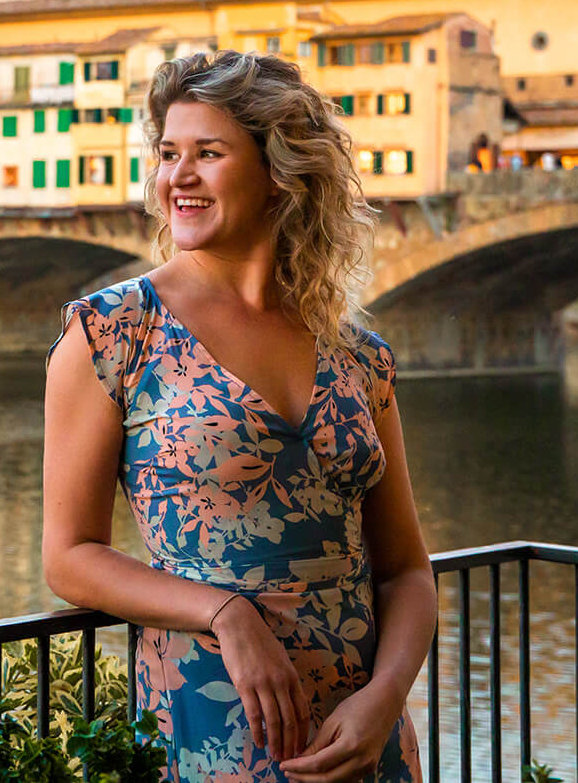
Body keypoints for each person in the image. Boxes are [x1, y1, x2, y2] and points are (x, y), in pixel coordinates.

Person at [43, 50, 435, 782]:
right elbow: (69, 556)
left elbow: (407, 570)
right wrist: (226, 612)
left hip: (364, 740)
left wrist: (385, 698)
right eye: (167, 154)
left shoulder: (359, 355)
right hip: (211, 726)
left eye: (208, 153)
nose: (177, 177)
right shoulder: (112, 332)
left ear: (279, 172)